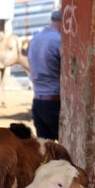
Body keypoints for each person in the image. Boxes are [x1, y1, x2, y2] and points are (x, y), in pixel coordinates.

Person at [27, 9, 62, 140]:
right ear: (62, 22)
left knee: (45, 150)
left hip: (37, 102)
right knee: (62, 150)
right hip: (54, 102)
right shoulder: (59, 41)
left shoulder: (35, 39)